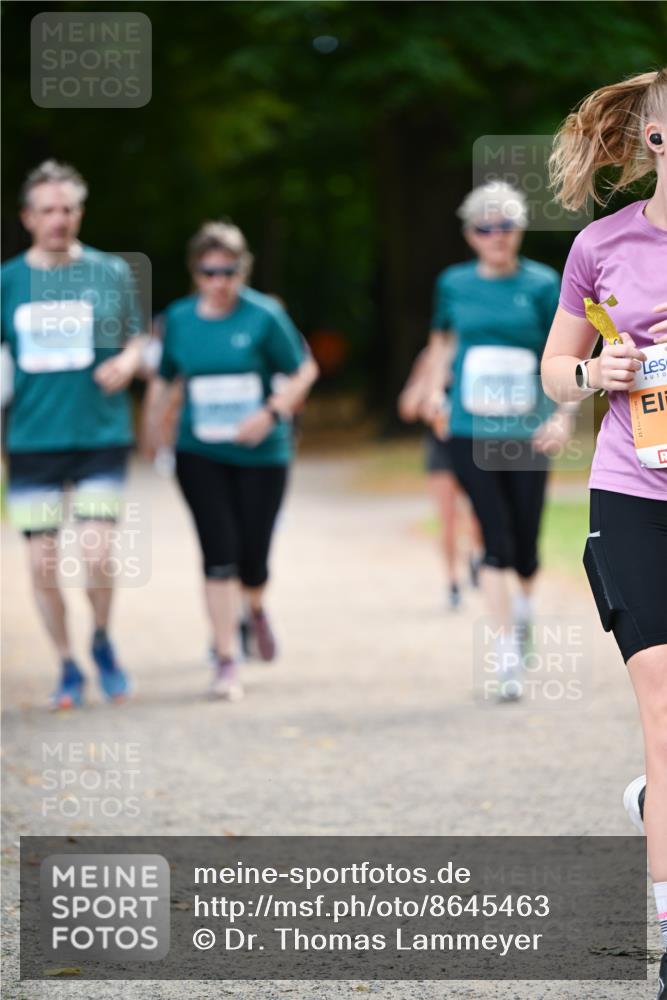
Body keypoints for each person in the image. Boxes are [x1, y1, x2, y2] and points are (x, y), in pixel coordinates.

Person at [542, 68, 667, 998]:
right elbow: (555, 368)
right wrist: (598, 373)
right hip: (633, 490)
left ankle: (652, 805)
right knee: (665, 711)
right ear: (653, 141)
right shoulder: (600, 245)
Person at [142, 221, 317, 701]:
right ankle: (225, 658)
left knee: (253, 557)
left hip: (263, 454)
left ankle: (254, 609)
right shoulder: (178, 319)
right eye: (209, 271)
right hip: (201, 453)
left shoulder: (265, 316)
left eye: (229, 271)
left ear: (244, 269)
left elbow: (304, 370)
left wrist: (272, 412)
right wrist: (152, 428)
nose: (220, 281)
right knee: (218, 553)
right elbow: (164, 376)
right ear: (195, 272)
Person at [414, 181, 575, 699]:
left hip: (528, 432)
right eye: (485, 226)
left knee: (526, 543)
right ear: (470, 234)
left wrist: (565, 415)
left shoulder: (544, 284)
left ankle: (524, 605)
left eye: (505, 225)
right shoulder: (453, 284)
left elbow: (567, 351)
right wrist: (436, 390)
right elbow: (441, 343)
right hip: (469, 428)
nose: (496, 235)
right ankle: (505, 651)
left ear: (519, 229)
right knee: (493, 536)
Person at [1, 160, 146, 710]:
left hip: (99, 434)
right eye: (47, 211)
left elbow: (137, 338)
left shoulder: (110, 272)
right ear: (27, 217)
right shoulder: (9, 281)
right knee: (41, 562)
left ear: (79, 213)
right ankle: (66, 663)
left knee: (98, 550)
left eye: (67, 209)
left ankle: (103, 640)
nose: (58, 220)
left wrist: (129, 363)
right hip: (33, 441)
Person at [398, 348, 482, 610]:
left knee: (479, 514)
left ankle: (475, 555)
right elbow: (408, 408)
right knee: (447, 518)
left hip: (473, 444)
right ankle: (452, 581)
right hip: (441, 449)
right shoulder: (430, 359)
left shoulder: (477, 351)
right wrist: (426, 393)